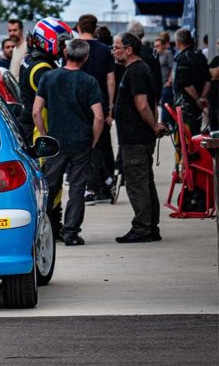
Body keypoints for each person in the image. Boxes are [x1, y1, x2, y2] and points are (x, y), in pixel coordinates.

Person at [32, 38, 104, 245]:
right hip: (81, 142)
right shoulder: (89, 81)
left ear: (65, 54)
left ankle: (40, 228)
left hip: (56, 143)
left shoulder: (48, 77)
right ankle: (70, 233)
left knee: (48, 188)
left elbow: (36, 111)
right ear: (86, 57)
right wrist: (94, 139)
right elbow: (98, 117)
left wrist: (45, 136)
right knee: (77, 188)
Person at [112, 32, 167, 243]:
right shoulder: (140, 69)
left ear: (128, 49)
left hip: (135, 138)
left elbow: (142, 104)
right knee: (145, 181)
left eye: (117, 47)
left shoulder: (136, 71)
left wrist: (154, 126)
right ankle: (150, 226)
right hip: (137, 136)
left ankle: (143, 228)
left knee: (137, 183)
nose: (114, 51)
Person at [75, 14, 116, 204]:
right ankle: (106, 183)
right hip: (100, 103)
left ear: (78, 27)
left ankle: (91, 187)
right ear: (94, 28)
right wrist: (110, 107)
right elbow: (110, 80)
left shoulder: (73, 48)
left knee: (84, 147)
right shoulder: (105, 50)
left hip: (79, 105)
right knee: (101, 144)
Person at [17, 17, 72, 144]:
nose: (63, 47)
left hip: (28, 124)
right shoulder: (43, 68)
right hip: (39, 130)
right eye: (61, 42)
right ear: (49, 39)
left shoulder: (30, 59)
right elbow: (57, 103)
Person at [171, 28, 211, 135]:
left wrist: (198, 99)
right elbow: (208, 80)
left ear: (178, 42)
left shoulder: (183, 58)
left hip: (185, 106)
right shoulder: (200, 56)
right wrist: (202, 98)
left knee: (185, 138)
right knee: (196, 133)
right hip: (197, 106)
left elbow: (186, 84)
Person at [127, 21, 161, 104]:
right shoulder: (152, 53)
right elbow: (157, 77)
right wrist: (157, 98)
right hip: (148, 96)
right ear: (143, 35)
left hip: (128, 97)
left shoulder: (125, 52)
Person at [155, 34, 175, 129]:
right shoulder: (156, 55)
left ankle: (165, 125)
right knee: (165, 105)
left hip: (166, 84)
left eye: (158, 45)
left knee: (165, 105)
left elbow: (172, 68)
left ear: (163, 45)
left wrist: (169, 81)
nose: (156, 48)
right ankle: (168, 124)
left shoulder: (168, 53)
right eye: (155, 46)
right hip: (160, 84)